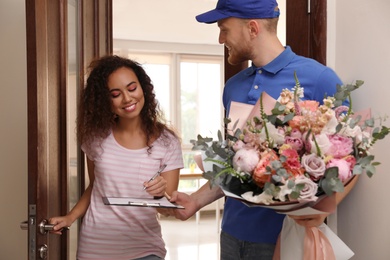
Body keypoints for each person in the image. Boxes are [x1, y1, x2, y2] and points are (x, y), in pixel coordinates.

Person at [167, 0, 356, 259]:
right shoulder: (233, 87)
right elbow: (234, 167)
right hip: (232, 235)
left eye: (224, 29)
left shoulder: (318, 78)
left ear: (252, 28)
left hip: (285, 237)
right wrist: (195, 200)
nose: (221, 38)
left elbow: (352, 157)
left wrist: (322, 210)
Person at [49, 55, 184, 260]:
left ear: (143, 88)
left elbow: (167, 207)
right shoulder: (96, 138)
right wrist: (70, 217)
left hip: (145, 249)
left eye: (132, 88)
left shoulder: (167, 142)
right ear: (105, 100)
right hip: (95, 248)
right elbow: (95, 187)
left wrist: (160, 193)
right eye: (115, 94)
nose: (127, 99)